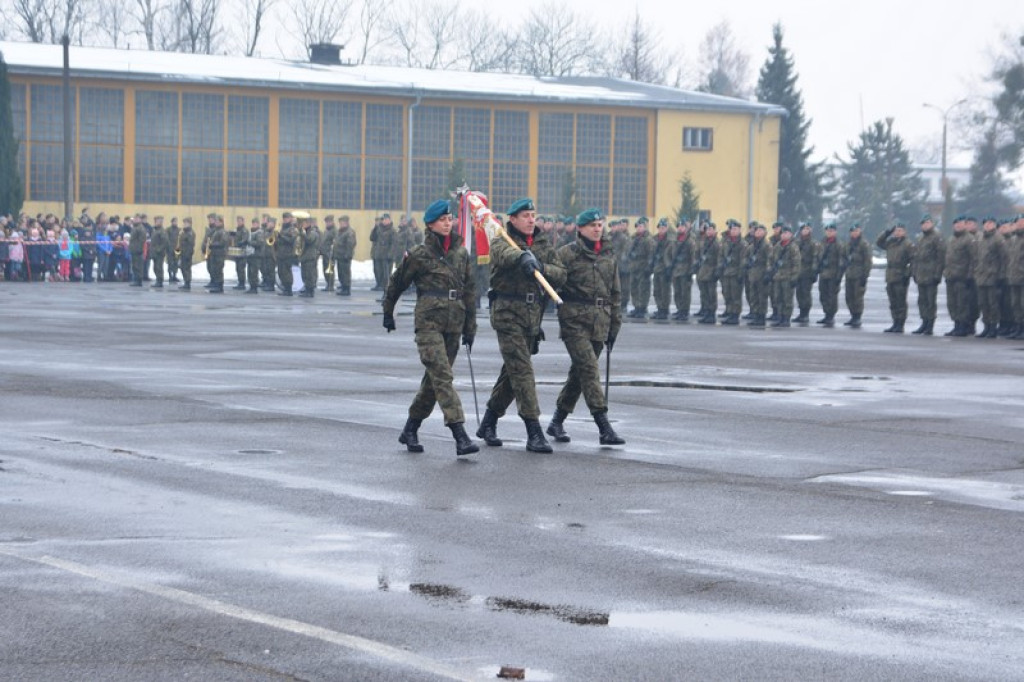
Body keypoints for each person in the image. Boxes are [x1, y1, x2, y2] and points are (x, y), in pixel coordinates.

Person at [382, 199, 479, 457]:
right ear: (430, 224)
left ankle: (410, 429)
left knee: (433, 381)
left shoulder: (460, 253)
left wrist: (471, 326)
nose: (448, 223)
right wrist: (388, 312)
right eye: (442, 220)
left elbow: (469, 291)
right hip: (428, 324)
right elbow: (397, 282)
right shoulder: (419, 254)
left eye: (450, 219)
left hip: (454, 323)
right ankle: (460, 434)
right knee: (443, 377)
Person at [476, 198, 566, 453]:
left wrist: (542, 266)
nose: (530, 219)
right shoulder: (502, 240)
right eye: (525, 215)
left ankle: (489, 422)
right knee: (523, 372)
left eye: (533, 214)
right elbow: (504, 256)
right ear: (513, 219)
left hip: (531, 317)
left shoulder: (542, 244)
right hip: (508, 315)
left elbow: (561, 273)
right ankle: (534, 431)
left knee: (513, 372)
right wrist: (522, 258)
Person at [546, 209, 625, 445]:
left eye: (599, 224)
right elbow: (552, 281)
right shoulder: (567, 254)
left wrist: (614, 326)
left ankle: (556, 421)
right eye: (592, 225)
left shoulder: (609, 255)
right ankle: (604, 427)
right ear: (580, 229)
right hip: (574, 321)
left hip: (600, 321)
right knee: (589, 369)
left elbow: (615, 293)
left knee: (579, 375)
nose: (597, 228)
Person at [876, 221, 914, 333]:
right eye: (896, 230)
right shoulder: (891, 243)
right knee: (893, 301)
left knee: (900, 301)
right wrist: (887, 233)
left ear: (904, 232)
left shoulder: (907, 244)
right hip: (890, 275)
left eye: (900, 230)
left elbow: (913, 260)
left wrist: (907, 274)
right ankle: (895, 322)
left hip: (901, 275)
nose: (898, 233)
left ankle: (900, 323)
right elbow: (879, 243)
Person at [911, 215, 946, 335]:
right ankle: (924, 322)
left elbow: (940, 257)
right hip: (921, 274)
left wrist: (938, 274)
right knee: (922, 300)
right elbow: (916, 257)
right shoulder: (921, 238)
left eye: (927, 223)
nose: (925, 226)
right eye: (923, 224)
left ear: (932, 224)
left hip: (931, 274)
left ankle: (930, 324)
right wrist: (914, 272)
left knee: (930, 301)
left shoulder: (936, 237)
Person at [974, 216, 1008, 338]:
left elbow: (1004, 258)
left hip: (993, 276)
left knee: (993, 303)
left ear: (994, 225)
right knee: (983, 303)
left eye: (990, 223)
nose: (988, 226)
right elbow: (977, 257)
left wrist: (1001, 276)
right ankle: (986, 326)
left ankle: (993, 327)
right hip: (982, 276)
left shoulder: (998, 239)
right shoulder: (981, 238)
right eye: (986, 223)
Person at [768, 224, 800, 327]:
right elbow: (771, 259)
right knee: (778, 298)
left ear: (790, 234)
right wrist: (770, 271)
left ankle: (786, 318)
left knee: (787, 299)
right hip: (778, 276)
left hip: (788, 276)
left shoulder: (793, 247)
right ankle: (780, 316)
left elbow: (796, 263)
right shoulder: (777, 246)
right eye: (782, 233)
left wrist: (794, 277)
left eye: (786, 233)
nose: (784, 235)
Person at [843, 224, 872, 328]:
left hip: (859, 274)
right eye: (852, 231)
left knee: (857, 297)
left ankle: (857, 317)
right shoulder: (849, 244)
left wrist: (865, 276)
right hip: (850, 274)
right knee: (849, 297)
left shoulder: (864, 244)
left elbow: (867, 261)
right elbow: (844, 257)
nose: (854, 233)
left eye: (856, 231)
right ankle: (852, 315)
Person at [816, 223, 845, 327]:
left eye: (832, 231)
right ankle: (826, 314)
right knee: (823, 295)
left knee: (832, 296)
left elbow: (841, 260)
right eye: (828, 230)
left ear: (835, 232)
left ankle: (831, 316)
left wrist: (839, 276)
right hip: (823, 273)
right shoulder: (822, 242)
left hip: (833, 273)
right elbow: (818, 256)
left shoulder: (838, 244)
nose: (829, 232)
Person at [717, 219, 744, 324]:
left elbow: (743, 260)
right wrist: (720, 268)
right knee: (727, 293)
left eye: (735, 229)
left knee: (735, 295)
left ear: (739, 230)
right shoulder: (727, 242)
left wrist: (740, 274)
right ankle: (729, 311)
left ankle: (735, 315)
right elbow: (721, 256)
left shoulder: (742, 244)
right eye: (732, 229)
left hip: (735, 272)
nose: (733, 231)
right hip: (726, 272)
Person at [626, 218, 654, 318]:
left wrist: (649, 268)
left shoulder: (648, 239)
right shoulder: (634, 238)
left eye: (641, 226)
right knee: (634, 288)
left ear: (645, 227)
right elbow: (628, 251)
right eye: (637, 226)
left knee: (643, 288)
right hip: (634, 266)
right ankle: (636, 306)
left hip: (643, 267)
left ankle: (642, 308)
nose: (638, 228)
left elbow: (651, 254)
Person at [668, 220, 696, 321]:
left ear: (686, 228)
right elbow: (669, 253)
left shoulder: (690, 241)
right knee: (677, 291)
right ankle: (679, 309)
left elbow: (693, 257)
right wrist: (669, 265)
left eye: (682, 226)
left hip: (685, 270)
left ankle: (684, 311)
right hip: (676, 270)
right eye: (678, 226)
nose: (680, 228)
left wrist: (691, 271)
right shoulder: (675, 240)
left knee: (685, 292)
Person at [744, 223, 770, 327]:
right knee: (753, 296)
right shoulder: (752, 246)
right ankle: (755, 314)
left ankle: (761, 316)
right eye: (756, 231)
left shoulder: (766, 246)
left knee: (762, 297)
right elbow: (745, 257)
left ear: (764, 233)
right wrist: (747, 263)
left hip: (762, 273)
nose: (757, 233)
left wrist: (768, 273)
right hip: (753, 274)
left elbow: (769, 260)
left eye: (760, 231)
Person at [695, 222, 720, 324]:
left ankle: (711, 314)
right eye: (707, 230)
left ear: (714, 231)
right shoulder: (704, 242)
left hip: (711, 270)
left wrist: (717, 271)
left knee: (711, 295)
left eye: (710, 229)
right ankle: (706, 312)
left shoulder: (716, 243)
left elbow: (719, 258)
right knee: (704, 294)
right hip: (703, 271)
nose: (708, 231)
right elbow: (698, 254)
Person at [793, 223, 819, 323]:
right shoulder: (797, 242)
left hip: (807, 271)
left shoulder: (813, 244)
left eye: (807, 229)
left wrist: (814, 272)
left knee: (806, 293)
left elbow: (815, 258)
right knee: (799, 293)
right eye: (803, 229)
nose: (805, 231)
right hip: (798, 271)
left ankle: (806, 313)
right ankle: (801, 313)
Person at [650, 218, 674, 319]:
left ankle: (664, 309)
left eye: (663, 228)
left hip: (665, 268)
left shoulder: (670, 240)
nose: (661, 229)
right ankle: (660, 308)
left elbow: (671, 255)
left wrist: (669, 268)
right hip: (657, 268)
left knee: (665, 291)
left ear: (666, 228)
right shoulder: (655, 239)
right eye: (660, 228)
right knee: (657, 290)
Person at [274, 212, 298, 296]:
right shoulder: (282, 229)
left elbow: (291, 240)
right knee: (281, 272)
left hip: (288, 254)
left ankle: (289, 289)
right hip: (281, 254)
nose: (285, 220)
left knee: (286, 272)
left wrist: (281, 236)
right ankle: (285, 288)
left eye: (287, 218)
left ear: (290, 219)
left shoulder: (292, 229)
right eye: (284, 218)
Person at [297, 212, 320, 297]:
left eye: (304, 223)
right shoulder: (306, 232)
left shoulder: (313, 232)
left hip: (310, 257)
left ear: (308, 224)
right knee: (305, 275)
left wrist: (301, 233)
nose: (303, 225)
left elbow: (309, 240)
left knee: (309, 275)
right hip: (305, 257)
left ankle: (310, 291)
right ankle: (307, 289)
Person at [334, 215, 357, 296]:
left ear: (346, 223)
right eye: (340, 223)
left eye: (342, 223)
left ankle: (346, 289)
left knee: (345, 273)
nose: (341, 224)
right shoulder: (340, 231)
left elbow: (350, 245)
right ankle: (343, 286)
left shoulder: (349, 232)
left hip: (345, 256)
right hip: (339, 255)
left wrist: (347, 255)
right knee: (341, 272)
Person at [206, 215, 229, 293]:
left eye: (217, 221)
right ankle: (216, 284)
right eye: (215, 221)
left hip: (219, 254)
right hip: (214, 254)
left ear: (221, 222)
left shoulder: (222, 232)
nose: (215, 223)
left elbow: (223, 242)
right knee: (214, 269)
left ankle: (219, 286)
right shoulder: (216, 231)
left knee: (219, 270)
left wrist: (213, 244)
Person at [149, 216, 169, 288]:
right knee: (155, 267)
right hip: (154, 253)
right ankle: (158, 280)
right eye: (157, 221)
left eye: (160, 221)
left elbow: (165, 242)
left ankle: (159, 281)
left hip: (159, 253)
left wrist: (159, 249)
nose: (159, 222)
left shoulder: (162, 231)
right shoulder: (155, 230)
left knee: (159, 267)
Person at [245, 218, 264, 294]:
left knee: (254, 272)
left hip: (256, 255)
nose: (254, 225)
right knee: (250, 271)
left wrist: (250, 242)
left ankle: (254, 287)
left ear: (258, 224)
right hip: (250, 255)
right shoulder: (251, 232)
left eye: (255, 223)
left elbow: (259, 243)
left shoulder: (259, 233)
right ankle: (251, 286)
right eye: (253, 223)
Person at [177, 218, 196, 290]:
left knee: (186, 268)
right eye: (184, 223)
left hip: (187, 253)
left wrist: (188, 254)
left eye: (186, 223)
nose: (184, 224)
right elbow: (180, 244)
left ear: (190, 224)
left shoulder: (190, 233)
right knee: (183, 268)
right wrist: (178, 253)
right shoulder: (183, 232)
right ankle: (185, 282)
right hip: (182, 253)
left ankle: (187, 283)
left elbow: (191, 245)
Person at [232, 216, 249, 290]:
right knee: (238, 268)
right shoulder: (237, 230)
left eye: (240, 221)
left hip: (242, 251)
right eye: (237, 221)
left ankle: (242, 284)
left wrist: (239, 243)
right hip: (237, 252)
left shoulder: (244, 230)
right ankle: (239, 282)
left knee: (241, 268)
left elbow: (245, 239)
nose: (238, 223)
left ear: (243, 222)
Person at [128, 217, 147, 286]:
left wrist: (139, 248)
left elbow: (142, 240)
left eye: (137, 219)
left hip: (138, 250)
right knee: (134, 266)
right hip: (134, 250)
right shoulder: (135, 228)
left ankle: (138, 280)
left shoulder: (140, 228)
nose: (135, 220)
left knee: (138, 266)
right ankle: (136, 279)